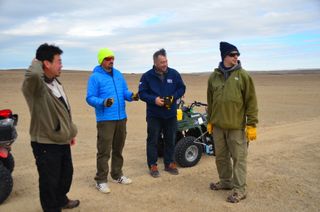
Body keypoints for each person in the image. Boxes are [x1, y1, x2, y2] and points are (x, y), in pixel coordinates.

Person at [22, 43, 80, 211]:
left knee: (65, 176)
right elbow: (32, 74)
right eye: (58, 61)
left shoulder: (56, 83)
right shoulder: (36, 87)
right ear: (46, 64)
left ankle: (61, 200)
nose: (61, 65)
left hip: (61, 140)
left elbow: (63, 110)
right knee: (49, 182)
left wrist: (69, 132)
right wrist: (37, 60)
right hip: (46, 143)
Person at [206, 41, 258, 203]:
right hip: (218, 126)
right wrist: (210, 121)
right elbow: (211, 100)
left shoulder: (243, 76)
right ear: (224, 57)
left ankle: (240, 189)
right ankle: (226, 181)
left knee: (238, 158)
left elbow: (251, 101)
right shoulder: (214, 77)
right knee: (221, 157)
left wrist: (251, 124)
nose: (236, 57)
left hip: (236, 127)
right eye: (233, 55)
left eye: (237, 55)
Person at [86, 48, 139, 194]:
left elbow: (124, 91)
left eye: (112, 58)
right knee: (104, 151)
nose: (111, 61)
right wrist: (103, 102)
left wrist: (132, 96)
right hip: (106, 120)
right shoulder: (95, 77)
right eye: (108, 58)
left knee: (118, 148)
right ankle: (101, 180)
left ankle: (117, 175)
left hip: (121, 117)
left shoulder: (118, 75)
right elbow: (90, 98)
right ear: (101, 61)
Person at [139, 48, 186, 178]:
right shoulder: (147, 76)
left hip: (170, 114)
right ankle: (152, 165)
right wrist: (154, 100)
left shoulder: (174, 74)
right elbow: (142, 93)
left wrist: (173, 97)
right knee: (153, 140)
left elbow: (182, 88)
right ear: (155, 63)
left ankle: (169, 163)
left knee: (170, 139)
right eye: (162, 62)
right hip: (154, 115)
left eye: (166, 61)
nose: (165, 64)